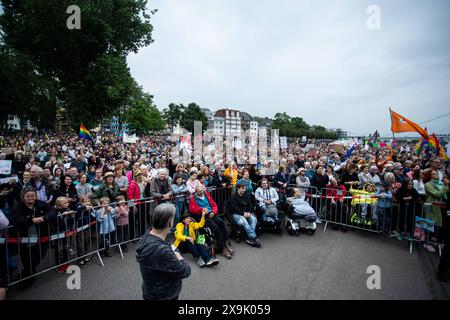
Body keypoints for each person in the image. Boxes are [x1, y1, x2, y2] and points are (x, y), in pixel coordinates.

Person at [136, 203, 191, 300]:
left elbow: (169, 245)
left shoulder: (147, 235)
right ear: (170, 222)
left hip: (150, 291)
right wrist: (179, 256)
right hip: (165, 295)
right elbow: (185, 271)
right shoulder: (162, 251)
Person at [10, 187, 56, 289]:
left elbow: (53, 211)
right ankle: (27, 280)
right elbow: (15, 219)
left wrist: (45, 218)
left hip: (41, 237)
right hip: (25, 240)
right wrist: (31, 220)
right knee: (26, 260)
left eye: (32, 196)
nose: (30, 198)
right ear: (23, 197)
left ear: (36, 196)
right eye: (28, 196)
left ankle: (26, 274)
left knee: (38, 257)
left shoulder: (41, 204)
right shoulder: (18, 207)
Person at [189, 185, 233, 259]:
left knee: (221, 222)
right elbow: (192, 209)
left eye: (202, 190)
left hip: (211, 213)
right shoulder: (193, 199)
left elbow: (214, 205)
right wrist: (202, 210)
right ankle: (222, 248)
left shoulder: (207, 195)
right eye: (199, 191)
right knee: (215, 227)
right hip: (203, 216)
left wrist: (213, 212)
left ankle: (226, 242)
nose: (201, 192)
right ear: (196, 192)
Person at [228, 181, 261, 248]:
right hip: (237, 214)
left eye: (244, 188)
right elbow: (234, 208)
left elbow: (250, 205)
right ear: (238, 188)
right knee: (243, 221)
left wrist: (248, 212)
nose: (244, 190)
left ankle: (250, 238)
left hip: (246, 213)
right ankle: (253, 237)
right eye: (242, 188)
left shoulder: (246, 195)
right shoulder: (233, 197)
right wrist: (243, 213)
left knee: (253, 219)